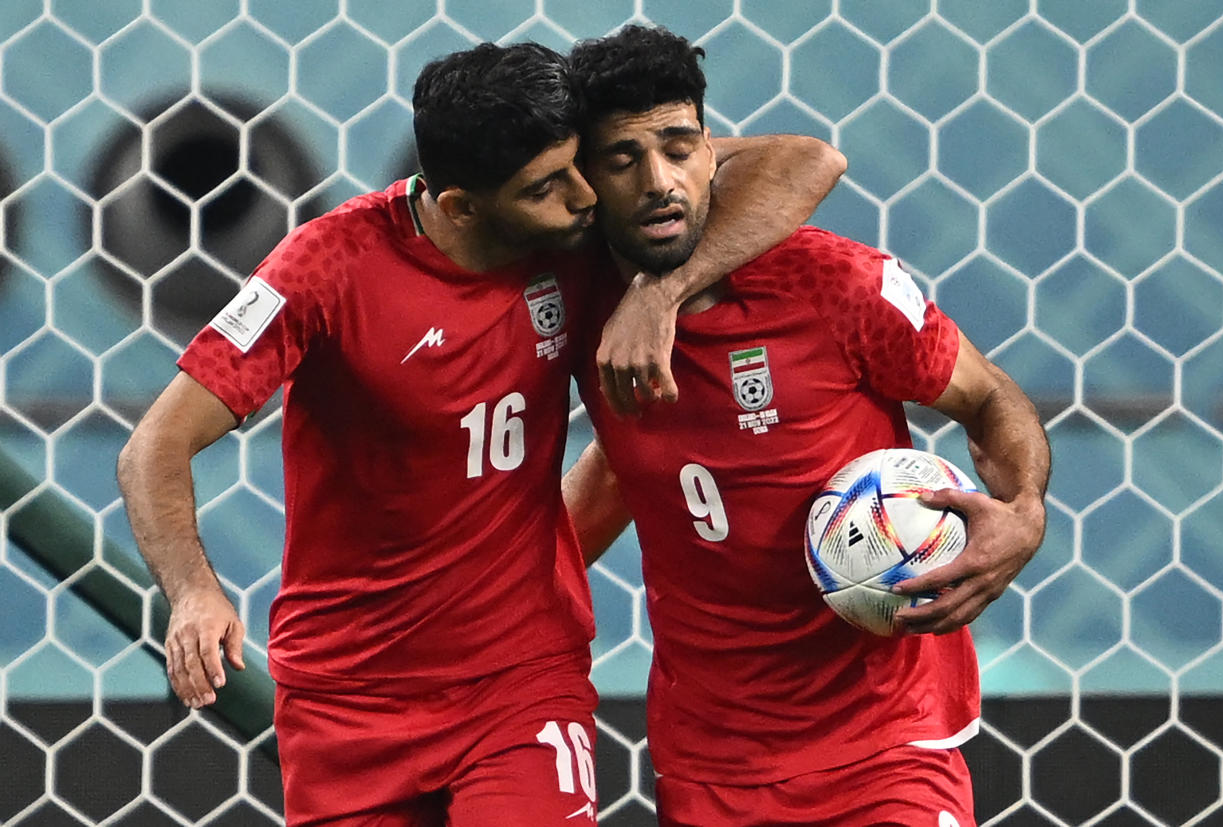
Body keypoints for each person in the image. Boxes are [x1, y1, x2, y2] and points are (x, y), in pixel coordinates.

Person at [117, 40, 844, 826]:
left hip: (521, 681)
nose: (585, 196)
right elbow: (154, 445)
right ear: (461, 205)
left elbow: (802, 162)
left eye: (577, 166)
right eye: (546, 187)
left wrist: (662, 291)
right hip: (345, 697)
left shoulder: (575, 228)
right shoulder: (324, 271)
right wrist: (193, 591)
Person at [562, 25, 1051, 827]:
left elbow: (989, 397)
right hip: (710, 760)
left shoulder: (834, 284)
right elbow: (626, 465)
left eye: (681, 148)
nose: (660, 181)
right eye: (622, 159)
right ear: (585, 176)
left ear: (713, 149)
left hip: (887, 743)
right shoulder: (574, 303)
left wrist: (1024, 512)